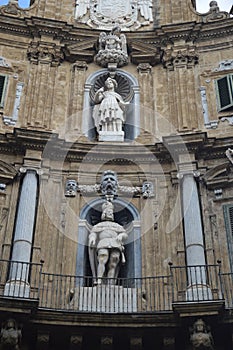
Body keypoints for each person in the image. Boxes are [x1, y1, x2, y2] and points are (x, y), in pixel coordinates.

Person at [88, 201, 128, 285]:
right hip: (103, 243)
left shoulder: (117, 226)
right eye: (108, 212)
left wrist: (121, 236)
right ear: (104, 213)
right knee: (102, 259)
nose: (110, 214)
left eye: (111, 212)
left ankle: (110, 282)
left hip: (116, 244)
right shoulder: (98, 225)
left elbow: (125, 234)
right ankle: (99, 280)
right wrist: (92, 238)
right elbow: (93, 233)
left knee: (113, 263)